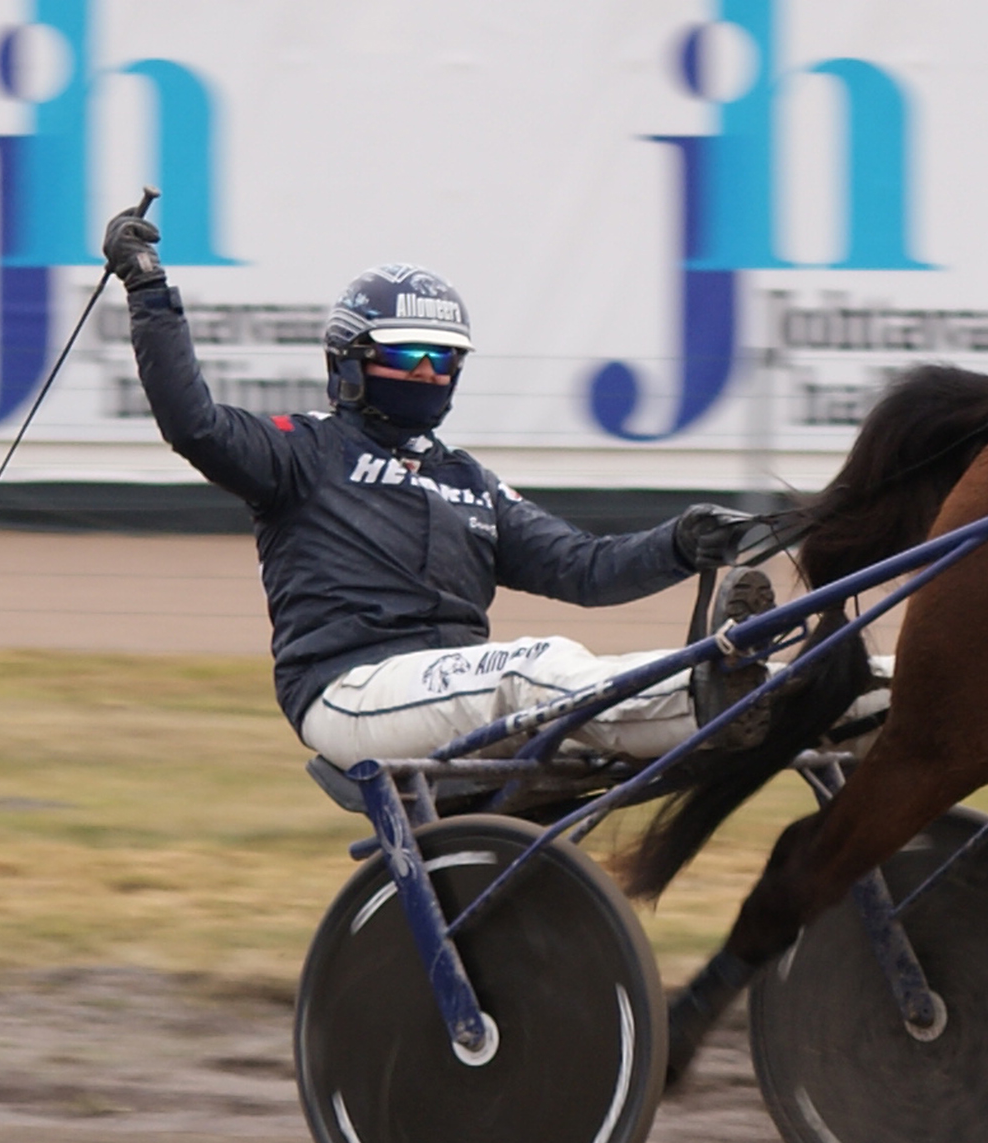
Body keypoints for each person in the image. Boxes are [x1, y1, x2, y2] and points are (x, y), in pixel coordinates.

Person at [102, 199, 775, 769]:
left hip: (449, 690)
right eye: (407, 353)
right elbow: (195, 425)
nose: (427, 371)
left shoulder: (469, 480)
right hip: (348, 690)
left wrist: (678, 544)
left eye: (445, 357)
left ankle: (780, 692)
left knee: (591, 677)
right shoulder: (302, 451)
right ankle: (709, 698)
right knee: (533, 667)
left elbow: (585, 569)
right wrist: (150, 292)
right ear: (350, 361)